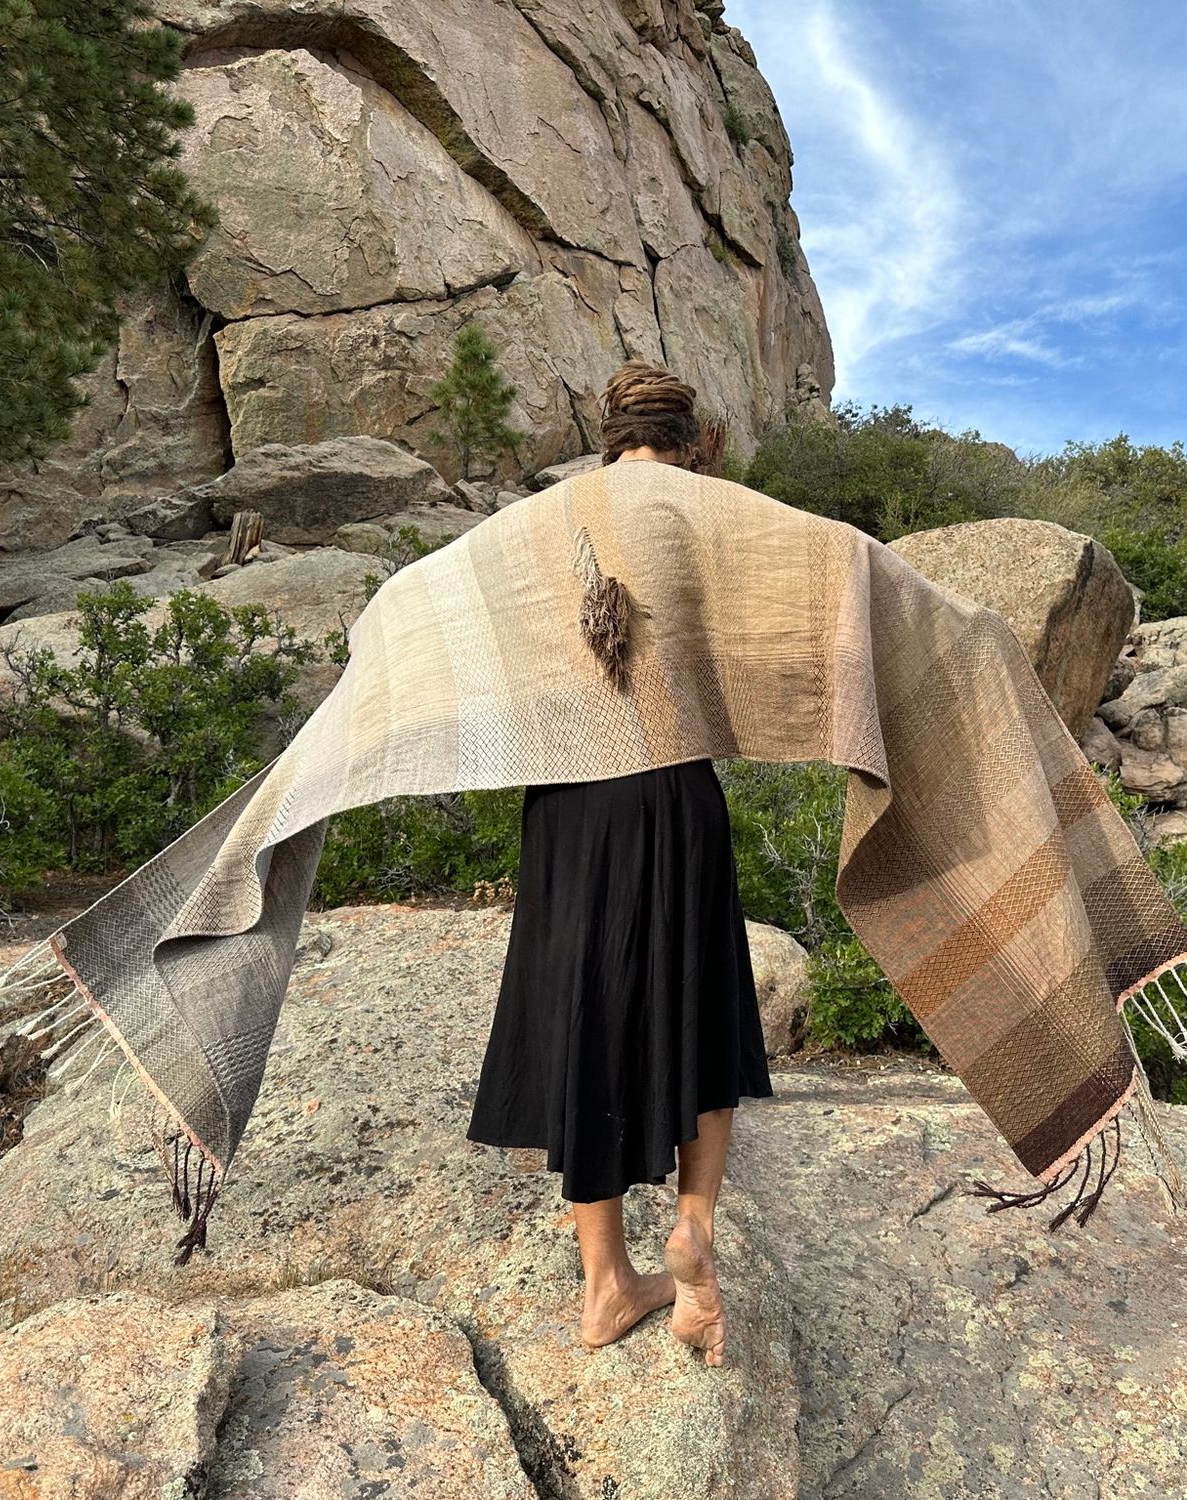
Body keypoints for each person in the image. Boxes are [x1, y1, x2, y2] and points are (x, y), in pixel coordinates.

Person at [464, 360, 771, 1368]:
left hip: (570, 800)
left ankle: (606, 1288)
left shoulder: (537, 526)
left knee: (580, 1015)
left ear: (607, 438)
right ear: (688, 442)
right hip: (675, 792)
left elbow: (485, 649)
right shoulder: (714, 513)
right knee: (702, 1003)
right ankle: (691, 1232)